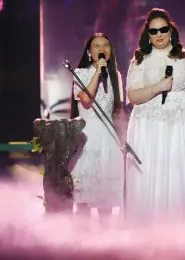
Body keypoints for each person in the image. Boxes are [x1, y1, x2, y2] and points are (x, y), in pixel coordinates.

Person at [124, 8, 185, 226]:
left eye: (163, 29)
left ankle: (181, 223)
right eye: (154, 31)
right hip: (148, 126)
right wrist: (157, 87)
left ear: (171, 30)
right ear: (148, 34)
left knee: (178, 173)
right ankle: (148, 223)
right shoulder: (139, 59)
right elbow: (132, 95)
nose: (159, 35)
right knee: (149, 173)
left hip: (180, 125)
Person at [69, 33, 124, 227]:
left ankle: (105, 242)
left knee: (105, 196)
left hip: (108, 139)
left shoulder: (116, 75)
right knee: (84, 196)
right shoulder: (81, 73)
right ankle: (80, 240)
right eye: (97, 45)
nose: (102, 49)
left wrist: (122, 139)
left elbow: (118, 111)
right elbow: (85, 100)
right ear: (89, 52)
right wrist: (96, 73)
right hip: (86, 139)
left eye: (106, 45)